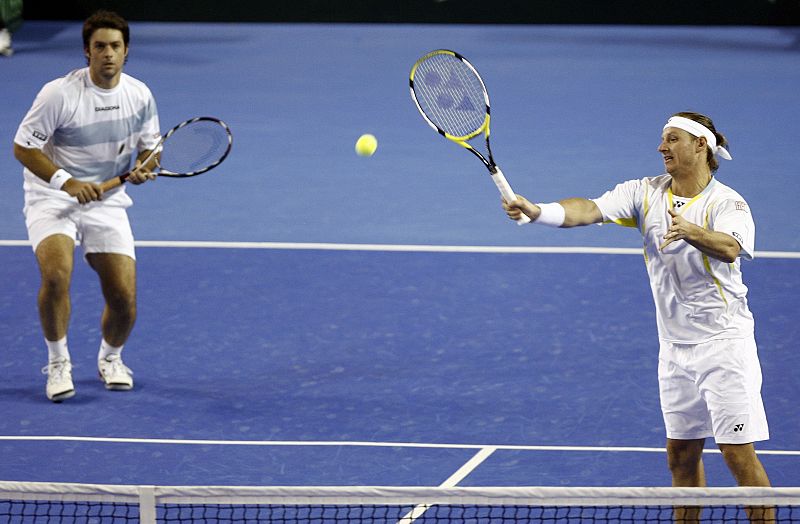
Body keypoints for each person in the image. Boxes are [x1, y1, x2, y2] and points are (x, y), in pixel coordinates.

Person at [503, 112, 772, 522]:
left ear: (701, 145)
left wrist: (692, 231)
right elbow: (588, 210)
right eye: (663, 139)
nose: (662, 147)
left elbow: (731, 248)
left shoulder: (728, 203)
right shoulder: (644, 192)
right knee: (680, 456)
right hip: (674, 350)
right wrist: (540, 211)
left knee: (738, 456)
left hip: (724, 347)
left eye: (672, 139)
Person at [13, 10, 160, 402]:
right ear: (86, 51)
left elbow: (151, 149)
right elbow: (23, 147)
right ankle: (58, 361)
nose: (107, 54)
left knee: (124, 299)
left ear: (126, 51)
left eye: (115, 46)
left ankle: (111, 358)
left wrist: (146, 166)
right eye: (99, 47)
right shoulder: (58, 93)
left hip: (107, 201)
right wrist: (67, 181)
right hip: (52, 195)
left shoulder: (140, 95)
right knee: (57, 275)